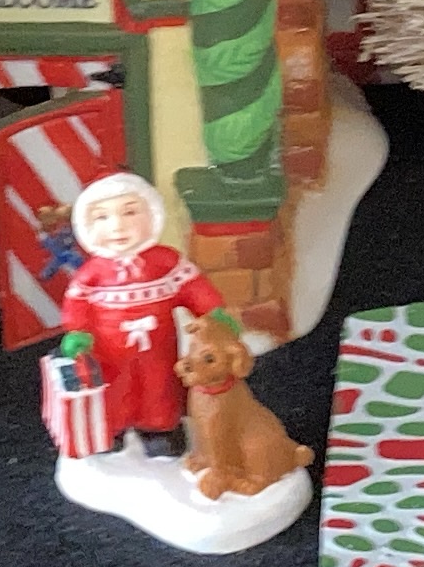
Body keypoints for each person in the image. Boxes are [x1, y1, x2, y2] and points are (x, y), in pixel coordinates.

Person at [57, 171, 308, 498]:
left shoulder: (166, 263)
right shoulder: (91, 275)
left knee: (160, 388)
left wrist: (213, 313)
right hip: (110, 353)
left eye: (130, 212)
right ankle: (113, 431)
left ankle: (160, 432)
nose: (117, 226)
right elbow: (76, 305)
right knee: (113, 390)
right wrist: (77, 333)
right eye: (102, 217)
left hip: (158, 350)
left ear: (151, 214)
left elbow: (194, 288)